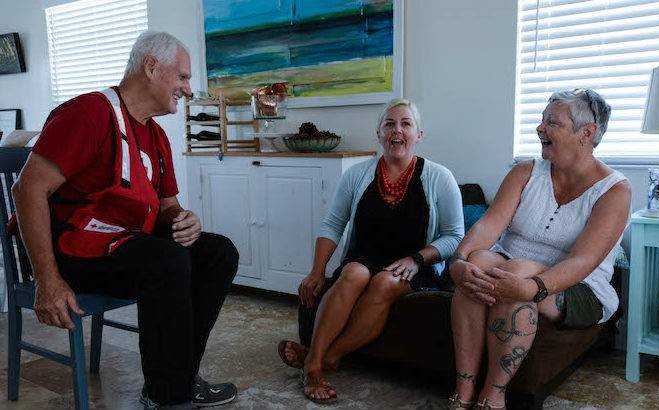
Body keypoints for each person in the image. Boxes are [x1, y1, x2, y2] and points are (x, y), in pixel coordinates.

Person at [11, 32, 239, 410]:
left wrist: (182, 220)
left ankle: (177, 379)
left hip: (121, 244)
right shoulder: (88, 113)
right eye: (182, 77)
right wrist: (48, 282)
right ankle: (170, 398)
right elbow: (27, 190)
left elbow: (167, 206)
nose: (187, 88)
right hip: (69, 251)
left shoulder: (155, 133)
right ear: (151, 67)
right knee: (166, 262)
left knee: (217, 252)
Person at [446, 89, 631, 409]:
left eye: (552, 122)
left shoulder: (615, 190)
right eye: (541, 121)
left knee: (513, 276)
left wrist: (532, 285)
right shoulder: (524, 171)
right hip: (511, 263)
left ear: (586, 133)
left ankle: (493, 396)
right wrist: (460, 260)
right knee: (477, 266)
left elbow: (584, 260)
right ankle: (463, 391)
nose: (540, 129)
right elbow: (489, 225)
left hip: (579, 285)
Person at [277, 99, 464, 403]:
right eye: (389, 124)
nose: (397, 130)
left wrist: (417, 259)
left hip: (415, 265)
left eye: (406, 124)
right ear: (378, 133)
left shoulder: (439, 177)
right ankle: (315, 362)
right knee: (352, 274)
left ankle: (322, 358)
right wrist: (317, 271)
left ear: (419, 134)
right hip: (364, 256)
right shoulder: (357, 175)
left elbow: (454, 236)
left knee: (385, 282)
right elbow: (333, 224)